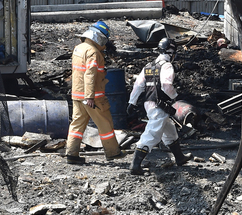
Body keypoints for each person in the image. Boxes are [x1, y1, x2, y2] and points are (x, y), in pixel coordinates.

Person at [127, 36, 192, 175]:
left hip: (149, 103)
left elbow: (138, 85)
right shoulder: (167, 66)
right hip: (160, 105)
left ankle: (179, 157)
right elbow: (166, 85)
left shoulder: (148, 66)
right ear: (171, 53)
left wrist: (132, 102)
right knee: (152, 133)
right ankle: (135, 165)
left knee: (170, 130)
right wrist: (175, 97)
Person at [65, 20, 123, 165]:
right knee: (105, 124)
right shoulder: (93, 52)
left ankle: (72, 154)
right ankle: (113, 152)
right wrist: (89, 97)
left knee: (77, 125)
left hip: (77, 94)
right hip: (93, 97)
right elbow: (89, 74)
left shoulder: (79, 48)